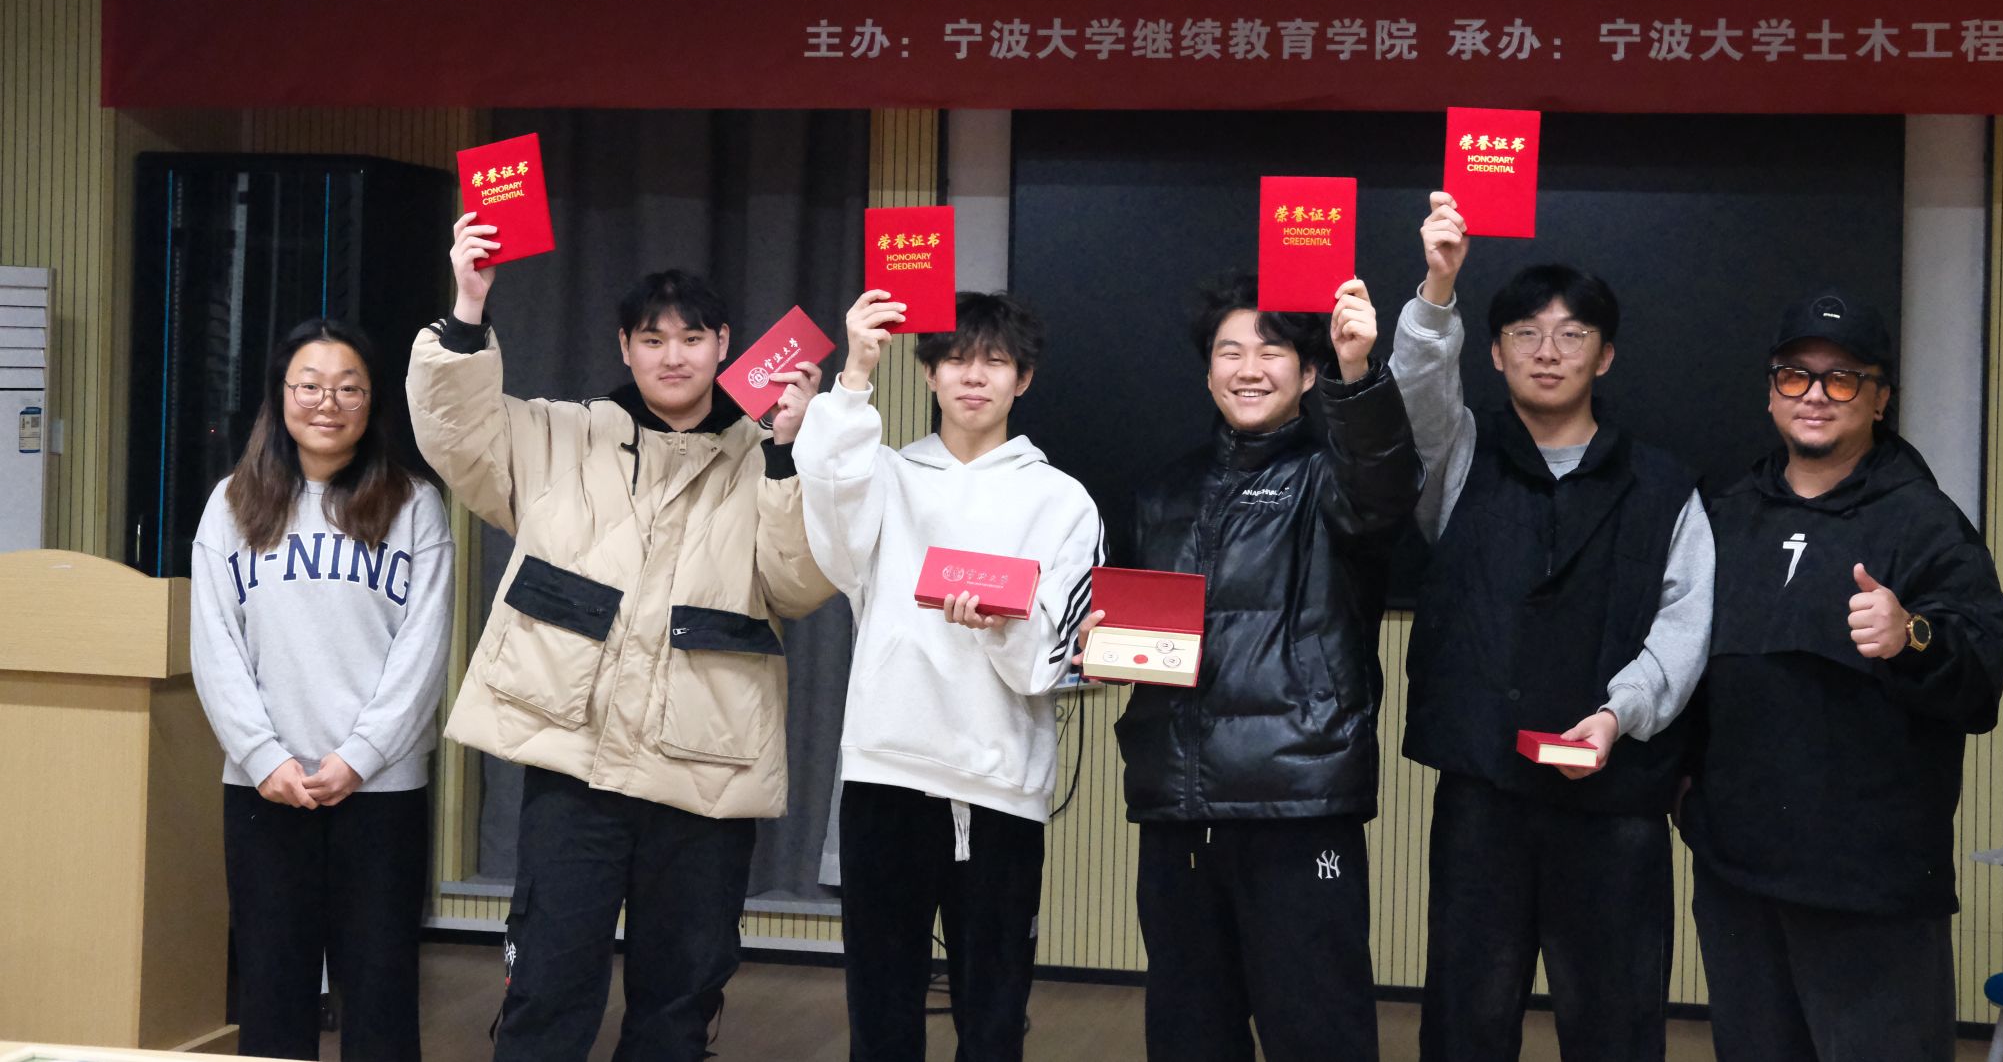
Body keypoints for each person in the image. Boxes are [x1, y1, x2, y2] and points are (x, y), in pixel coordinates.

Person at [406, 213, 836, 1061]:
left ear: (725, 345)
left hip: (705, 770)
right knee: (545, 988)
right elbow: (455, 433)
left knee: (679, 1003)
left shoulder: (771, 457)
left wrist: (789, 455)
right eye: (652, 338)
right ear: (625, 347)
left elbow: (797, 584)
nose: (673, 355)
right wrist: (467, 306)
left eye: (692, 337)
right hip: (577, 767)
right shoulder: (559, 434)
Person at [1390, 192, 1714, 1062]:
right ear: (1494, 352)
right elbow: (1415, 394)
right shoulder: (1459, 455)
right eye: (1526, 332)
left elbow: (1684, 625)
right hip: (1482, 794)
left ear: (1605, 355)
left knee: (1616, 1026)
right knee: (1465, 1022)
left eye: (1572, 334)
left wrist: (1620, 713)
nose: (1547, 350)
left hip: (1616, 802)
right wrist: (1439, 287)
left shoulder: (1664, 485)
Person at [1679, 290, 2003, 1062]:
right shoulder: (1724, 515)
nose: (1815, 395)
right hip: (1738, 876)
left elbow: (1982, 667)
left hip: (1872, 889)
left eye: (1842, 378)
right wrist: (1682, 783)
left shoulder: (1924, 521)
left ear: (1880, 397)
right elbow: (1687, 663)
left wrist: (1910, 635)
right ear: (1771, 391)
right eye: (1795, 375)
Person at [1116, 271, 1421, 1062]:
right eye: (1230, 351)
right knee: (1188, 1036)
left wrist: (1359, 372)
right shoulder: (1164, 491)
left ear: (1308, 371)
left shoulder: (1335, 478)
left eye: (1272, 350)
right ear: (1207, 370)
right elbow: (1140, 635)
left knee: (1319, 1034)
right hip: (1180, 809)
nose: (1249, 368)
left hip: (1298, 802)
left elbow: (1385, 483)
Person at [794, 288, 1105, 1062]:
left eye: (995, 361)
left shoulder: (1063, 501)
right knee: (881, 1011)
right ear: (929, 372)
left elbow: (1050, 662)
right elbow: (830, 524)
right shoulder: (886, 476)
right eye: (957, 358)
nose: (974, 375)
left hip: (1000, 787)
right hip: (886, 772)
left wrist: (1002, 625)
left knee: (993, 1017)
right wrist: (855, 373)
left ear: (1022, 379)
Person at [190, 317, 453, 1061]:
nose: (327, 403)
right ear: (281, 396)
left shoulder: (414, 504)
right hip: (265, 789)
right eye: (309, 385)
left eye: (348, 388)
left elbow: (424, 649)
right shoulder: (231, 504)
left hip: (381, 790)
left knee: (381, 993)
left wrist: (361, 755)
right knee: (272, 992)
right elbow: (214, 645)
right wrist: (263, 755)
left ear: (373, 402)